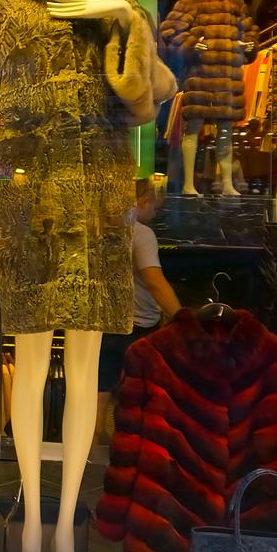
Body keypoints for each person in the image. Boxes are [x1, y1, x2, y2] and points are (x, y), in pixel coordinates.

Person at [95, 178, 182, 443]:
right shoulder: (141, 233)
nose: (154, 214)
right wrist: (182, 317)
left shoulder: (102, 228)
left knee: (100, 386)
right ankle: (129, 446)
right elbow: (155, 281)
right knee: (136, 393)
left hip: (105, 321)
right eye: (154, 207)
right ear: (142, 201)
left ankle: (93, 444)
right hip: (138, 325)